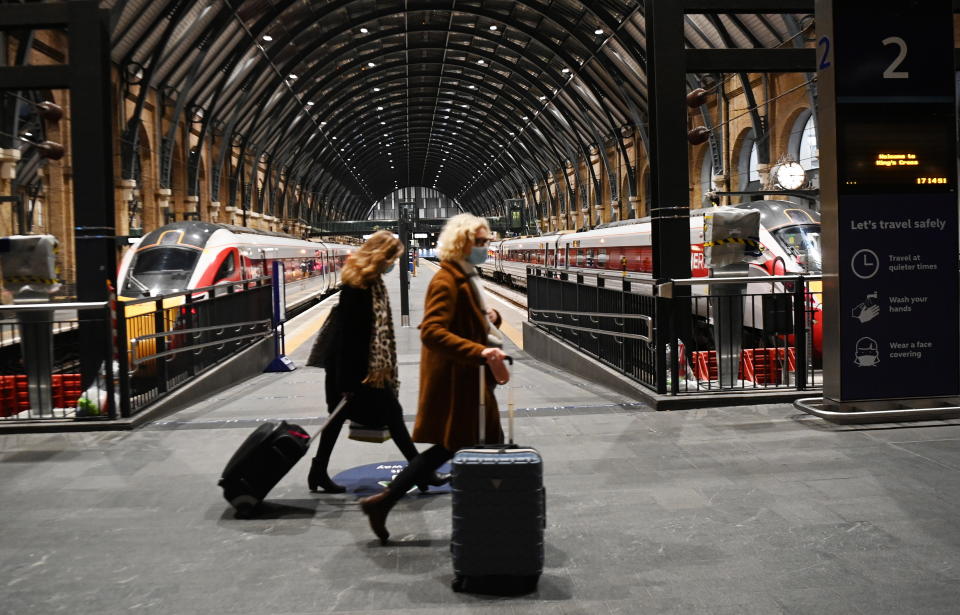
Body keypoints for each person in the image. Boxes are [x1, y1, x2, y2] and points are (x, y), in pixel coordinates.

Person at [359, 214, 507, 544]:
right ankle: (492, 520)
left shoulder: (464, 276)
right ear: (463, 243)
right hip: (459, 382)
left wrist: (488, 317)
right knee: (478, 447)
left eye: (487, 241)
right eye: (480, 242)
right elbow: (434, 332)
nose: (486, 248)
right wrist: (481, 353)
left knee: (454, 448)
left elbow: (462, 320)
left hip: (469, 381)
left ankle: (384, 504)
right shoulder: (446, 281)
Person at [307, 230, 448, 493]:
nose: (393, 264)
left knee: (341, 421)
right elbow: (349, 338)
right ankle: (421, 472)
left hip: (359, 371)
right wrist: (348, 383)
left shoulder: (370, 284)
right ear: (381, 257)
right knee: (390, 416)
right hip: (356, 373)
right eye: (392, 258)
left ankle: (318, 472)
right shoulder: (358, 289)